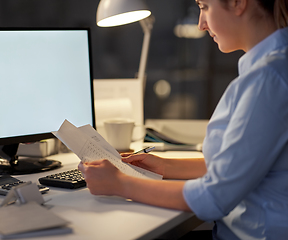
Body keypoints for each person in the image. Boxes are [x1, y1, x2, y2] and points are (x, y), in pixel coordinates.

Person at [78, 0, 288, 239]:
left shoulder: (268, 79)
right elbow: (240, 166)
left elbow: (213, 198)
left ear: (238, 3)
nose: (200, 24)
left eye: (205, 6)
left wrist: (119, 184)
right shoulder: (271, 69)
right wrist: (167, 166)